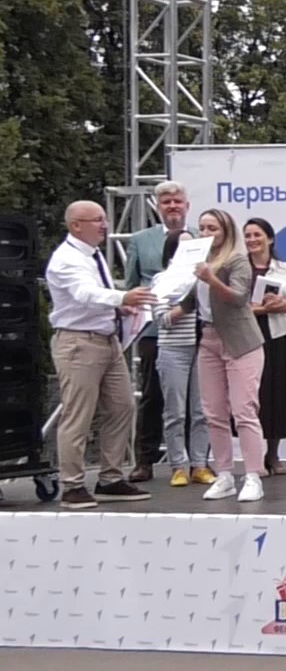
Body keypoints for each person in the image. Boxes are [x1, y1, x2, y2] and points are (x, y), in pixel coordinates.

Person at [44, 200, 153, 509]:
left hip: (107, 340)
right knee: (78, 414)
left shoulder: (93, 255)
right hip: (79, 342)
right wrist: (123, 296)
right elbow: (84, 293)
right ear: (76, 225)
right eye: (97, 220)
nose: (104, 225)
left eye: (104, 219)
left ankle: (110, 477)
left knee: (122, 406)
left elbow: (92, 296)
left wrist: (119, 308)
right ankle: (72, 484)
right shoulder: (66, 259)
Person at [191, 209, 268, 502]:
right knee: (213, 412)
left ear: (225, 232)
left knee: (244, 410)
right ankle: (224, 474)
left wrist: (211, 279)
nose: (206, 233)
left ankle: (253, 476)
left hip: (240, 341)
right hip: (209, 339)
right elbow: (191, 299)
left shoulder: (237, 260)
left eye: (212, 228)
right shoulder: (199, 261)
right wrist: (169, 309)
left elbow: (238, 298)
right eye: (202, 228)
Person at [121, 180, 191, 482]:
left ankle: (195, 461)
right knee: (152, 395)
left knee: (194, 399)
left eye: (177, 201)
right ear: (158, 207)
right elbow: (131, 284)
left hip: (193, 329)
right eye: (166, 202)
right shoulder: (141, 240)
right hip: (153, 330)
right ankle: (144, 461)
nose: (172, 206)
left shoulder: (200, 238)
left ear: (187, 205)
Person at [244, 218, 286, 475]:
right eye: (247, 235)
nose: (252, 240)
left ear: (269, 238)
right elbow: (231, 305)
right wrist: (259, 309)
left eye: (257, 234)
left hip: (280, 337)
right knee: (252, 397)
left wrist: (282, 306)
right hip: (246, 338)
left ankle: (273, 454)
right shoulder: (237, 269)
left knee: (278, 396)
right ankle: (254, 456)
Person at [154, 231, 213, 487]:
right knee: (175, 412)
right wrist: (187, 304)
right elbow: (162, 319)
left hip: (203, 347)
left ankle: (200, 464)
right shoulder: (162, 279)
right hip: (173, 350)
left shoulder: (206, 277)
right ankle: (178, 466)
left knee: (202, 411)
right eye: (183, 246)